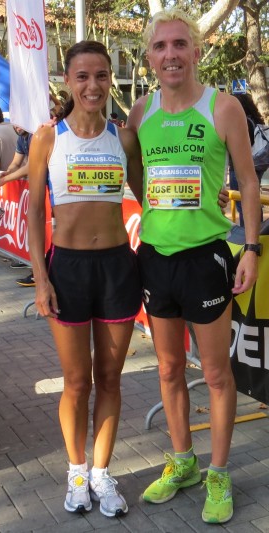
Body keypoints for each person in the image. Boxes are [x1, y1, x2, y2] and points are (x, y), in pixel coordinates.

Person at [126, 8, 261, 525]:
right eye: (160, 47)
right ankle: (183, 460)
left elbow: (248, 183)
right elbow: (139, 177)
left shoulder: (222, 107)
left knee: (217, 374)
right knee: (166, 368)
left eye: (180, 44)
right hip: (156, 258)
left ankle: (220, 472)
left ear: (197, 51)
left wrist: (249, 248)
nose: (170, 55)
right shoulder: (141, 112)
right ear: (150, 57)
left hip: (206, 257)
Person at [28, 40, 144, 518]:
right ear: (68, 82)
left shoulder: (125, 137)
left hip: (117, 267)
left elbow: (150, 193)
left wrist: (207, 195)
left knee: (110, 379)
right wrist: (40, 279)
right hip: (68, 270)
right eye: (83, 77)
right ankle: (77, 472)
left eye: (101, 76)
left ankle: (101, 473)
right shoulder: (47, 138)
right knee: (76, 382)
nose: (93, 85)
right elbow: (34, 212)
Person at [0, 126, 35, 287]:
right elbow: (16, 163)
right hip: (38, 188)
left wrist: (6, 179)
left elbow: (31, 165)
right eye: (15, 123)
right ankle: (36, 269)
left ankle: (39, 273)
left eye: (20, 123)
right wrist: (6, 172)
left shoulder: (34, 135)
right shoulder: (21, 138)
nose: (17, 126)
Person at [228, 93, 264, 226]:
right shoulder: (253, 121)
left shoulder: (243, 123)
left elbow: (238, 147)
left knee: (243, 205)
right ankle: (257, 233)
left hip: (240, 169)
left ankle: (248, 234)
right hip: (255, 165)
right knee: (252, 201)